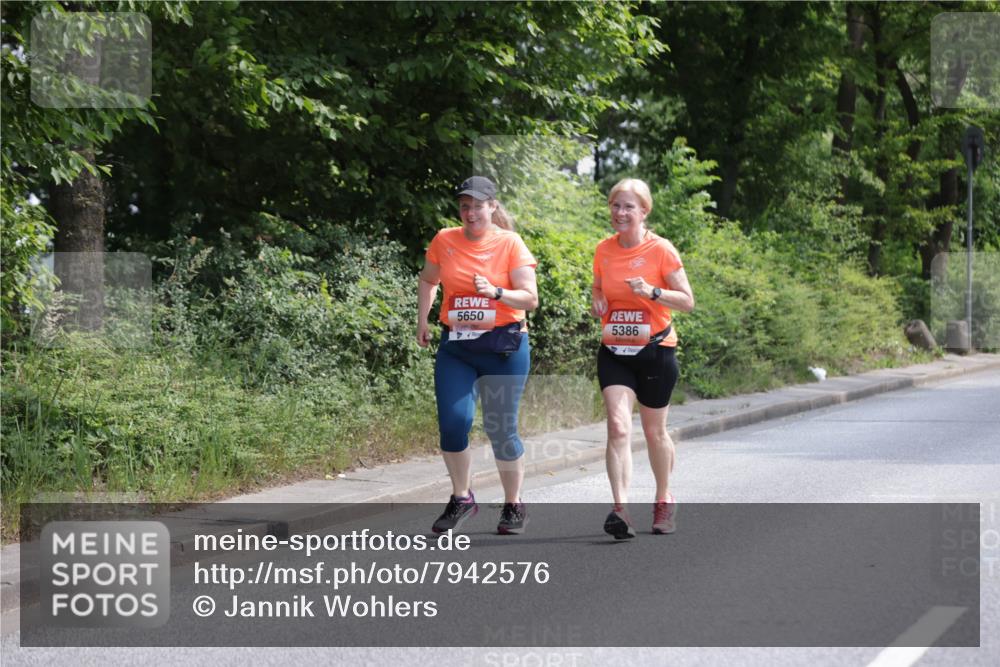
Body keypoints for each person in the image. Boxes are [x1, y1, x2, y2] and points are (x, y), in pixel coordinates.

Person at [416, 176, 539, 535]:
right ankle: (462, 497)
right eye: (464, 206)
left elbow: (530, 298)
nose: (470, 213)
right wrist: (422, 320)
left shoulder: (510, 243)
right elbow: (428, 280)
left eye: (478, 205)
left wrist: (498, 292)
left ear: (492, 207)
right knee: (453, 423)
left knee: (501, 429)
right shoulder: (445, 239)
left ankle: (514, 504)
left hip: (504, 348)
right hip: (457, 347)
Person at [591, 178, 694, 539]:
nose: (620, 213)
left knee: (654, 432)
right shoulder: (603, 250)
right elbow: (599, 286)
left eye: (628, 207)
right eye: (616, 205)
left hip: (655, 351)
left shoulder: (661, 250)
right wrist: (598, 300)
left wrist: (652, 292)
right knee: (618, 426)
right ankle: (620, 510)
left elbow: (686, 300)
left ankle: (664, 498)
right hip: (615, 351)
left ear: (644, 211)